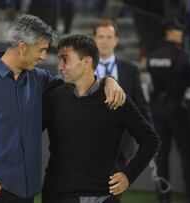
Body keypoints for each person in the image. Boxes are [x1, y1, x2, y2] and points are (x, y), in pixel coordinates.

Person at [0, 14, 125, 203]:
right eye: (40, 50)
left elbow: (79, 80)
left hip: (28, 193)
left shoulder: (38, 77)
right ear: (22, 48)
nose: (43, 57)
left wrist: (109, 80)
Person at [41, 34, 161, 203]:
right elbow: (26, 133)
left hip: (102, 195)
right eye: (59, 59)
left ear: (86, 62)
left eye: (65, 59)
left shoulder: (115, 98)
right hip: (57, 195)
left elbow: (151, 140)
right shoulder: (52, 96)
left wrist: (128, 175)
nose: (60, 66)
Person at [147, 19, 190, 203]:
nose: (181, 34)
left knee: (161, 156)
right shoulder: (179, 54)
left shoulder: (153, 54)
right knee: (187, 153)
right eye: (178, 30)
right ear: (169, 33)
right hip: (177, 108)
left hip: (157, 108)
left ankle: (163, 198)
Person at [93, 19, 153, 167]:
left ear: (116, 40)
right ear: (94, 39)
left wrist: (150, 139)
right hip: (90, 144)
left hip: (123, 147)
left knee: (115, 190)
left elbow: (141, 106)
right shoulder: (84, 68)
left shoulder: (130, 70)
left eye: (109, 37)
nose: (105, 41)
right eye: (101, 37)